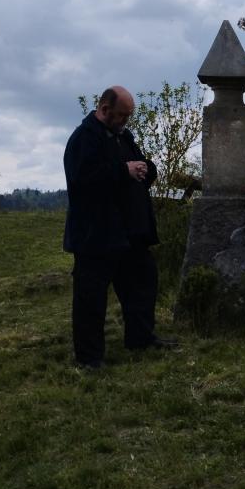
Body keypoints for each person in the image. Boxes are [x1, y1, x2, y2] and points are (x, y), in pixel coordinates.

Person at [63, 85, 176, 369]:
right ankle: (89, 358)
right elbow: (82, 180)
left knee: (142, 284)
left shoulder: (123, 137)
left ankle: (140, 338)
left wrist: (145, 169)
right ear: (104, 109)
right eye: (123, 115)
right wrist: (124, 170)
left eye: (129, 116)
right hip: (96, 234)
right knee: (91, 298)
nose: (126, 121)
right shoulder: (83, 139)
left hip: (130, 233)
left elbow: (137, 169)